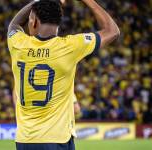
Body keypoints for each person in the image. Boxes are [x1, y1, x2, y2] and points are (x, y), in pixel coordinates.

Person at [7, 0, 120, 150]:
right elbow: (112, 31)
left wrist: (37, 2)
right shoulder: (70, 46)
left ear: (33, 22)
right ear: (59, 23)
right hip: (56, 138)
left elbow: (13, 25)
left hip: (24, 140)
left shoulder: (18, 44)